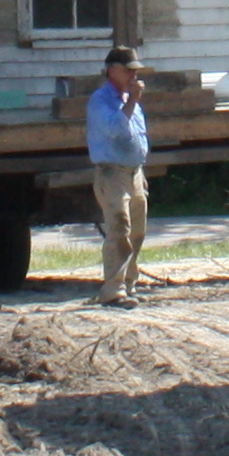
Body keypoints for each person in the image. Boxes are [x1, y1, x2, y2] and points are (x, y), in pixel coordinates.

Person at [83, 43, 151, 307]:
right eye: (129, 71)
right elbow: (114, 129)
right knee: (119, 229)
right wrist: (133, 100)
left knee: (138, 230)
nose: (134, 76)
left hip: (133, 172)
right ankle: (113, 290)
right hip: (111, 173)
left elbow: (138, 135)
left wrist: (140, 168)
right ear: (112, 70)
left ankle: (129, 284)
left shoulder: (128, 100)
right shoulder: (100, 100)